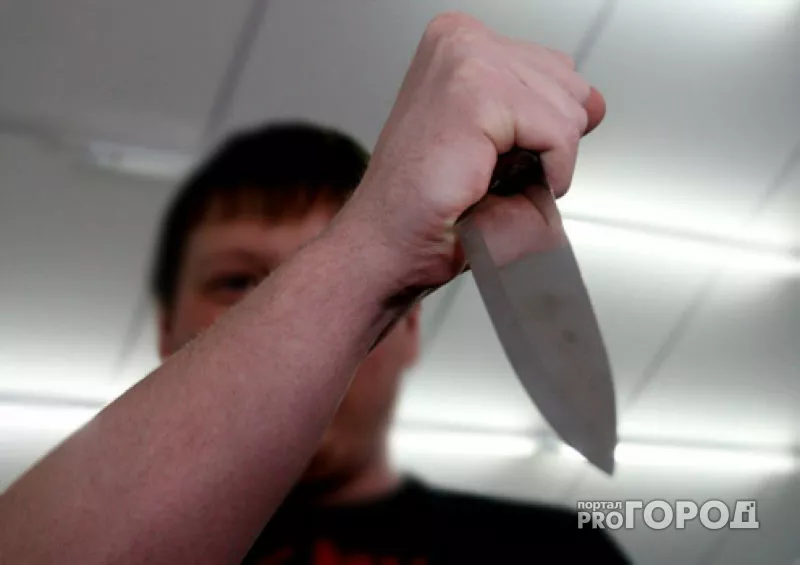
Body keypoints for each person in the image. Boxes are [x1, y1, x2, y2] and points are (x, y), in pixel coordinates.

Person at [0, 12, 630, 565]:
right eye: (237, 282)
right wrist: (367, 250)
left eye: (300, 274)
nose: (276, 311)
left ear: (411, 331)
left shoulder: (551, 552)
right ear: (167, 329)